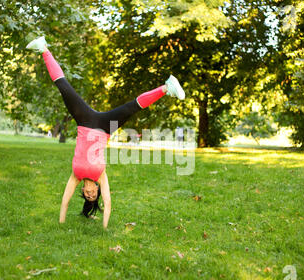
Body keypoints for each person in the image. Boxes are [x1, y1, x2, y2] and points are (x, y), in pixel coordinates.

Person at [26, 36, 185, 229]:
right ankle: (167, 87)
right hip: (104, 128)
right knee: (132, 107)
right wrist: (104, 227)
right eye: (93, 196)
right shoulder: (101, 176)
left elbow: (64, 202)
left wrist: (61, 223)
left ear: (83, 190)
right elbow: (108, 203)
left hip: (84, 121)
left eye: (87, 195)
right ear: (97, 190)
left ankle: (43, 48)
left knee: (64, 88)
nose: (90, 194)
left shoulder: (75, 176)